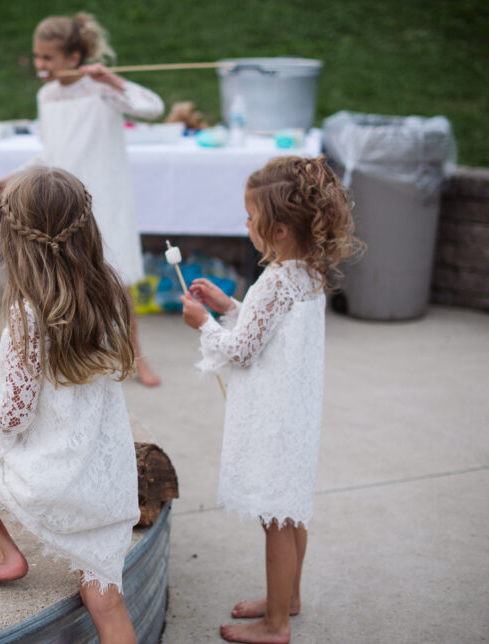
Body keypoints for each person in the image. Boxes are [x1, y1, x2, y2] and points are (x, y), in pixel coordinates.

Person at [0, 166, 141, 643]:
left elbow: (15, 414)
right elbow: (59, 376)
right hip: (102, 482)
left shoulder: (27, 310)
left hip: (53, 475)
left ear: (15, 239)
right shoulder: (107, 290)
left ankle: (3, 555)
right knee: (105, 599)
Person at [180, 156, 362, 644]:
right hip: (296, 413)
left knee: (276, 519)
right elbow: (268, 329)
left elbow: (241, 351)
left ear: (278, 229)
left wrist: (205, 324)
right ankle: (290, 596)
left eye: (250, 217)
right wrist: (229, 306)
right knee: (292, 508)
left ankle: (276, 623)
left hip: (271, 418)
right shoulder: (307, 274)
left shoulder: (273, 281)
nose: (245, 225)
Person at [0, 12, 164, 387]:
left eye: (47, 57)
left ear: (72, 56)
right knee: (65, 275)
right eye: (37, 57)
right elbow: (50, 152)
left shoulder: (100, 89)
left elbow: (152, 107)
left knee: (120, 279)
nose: (40, 65)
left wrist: (112, 79)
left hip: (106, 193)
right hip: (66, 199)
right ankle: (75, 352)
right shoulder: (46, 95)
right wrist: (11, 178)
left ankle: (136, 357)